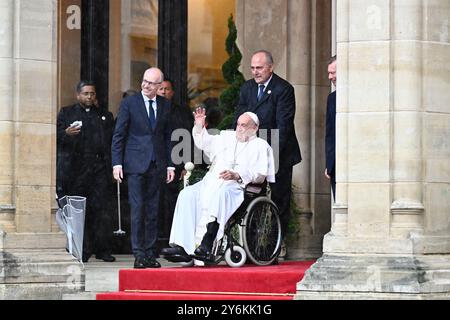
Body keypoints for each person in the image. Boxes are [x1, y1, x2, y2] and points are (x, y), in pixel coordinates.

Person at [161, 110, 275, 263]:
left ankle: (206, 244)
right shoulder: (226, 138)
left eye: (244, 125)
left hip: (237, 187)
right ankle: (182, 246)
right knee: (186, 194)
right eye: (238, 124)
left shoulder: (261, 146)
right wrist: (199, 126)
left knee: (221, 194)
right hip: (210, 183)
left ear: (255, 128)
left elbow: (261, 175)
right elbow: (204, 142)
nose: (239, 128)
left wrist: (237, 175)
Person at [233, 50, 302, 243]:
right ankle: (252, 244)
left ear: (270, 68)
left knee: (279, 200)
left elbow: (284, 126)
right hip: (252, 154)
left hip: (278, 152)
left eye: (259, 68)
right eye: (253, 68)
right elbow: (238, 119)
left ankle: (275, 244)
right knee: (252, 197)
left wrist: (268, 156)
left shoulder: (283, 89)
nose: (255, 72)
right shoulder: (247, 88)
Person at [111, 68, 175, 269]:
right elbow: (119, 134)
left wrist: (170, 165)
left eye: (151, 83)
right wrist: (117, 163)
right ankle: (138, 254)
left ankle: (150, 253)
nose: (146, 85)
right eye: (144, 81)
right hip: (135, 165)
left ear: (159, 87)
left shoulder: (165, 105)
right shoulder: (130, 103)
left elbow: (168, 136)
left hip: (157, 164)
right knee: (138, 210)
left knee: (153, 211)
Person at [56, 80, 116, 263]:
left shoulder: (104, 115)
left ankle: (102, 249)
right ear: (78, 95)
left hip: (98, 169)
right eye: (86, 93)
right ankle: (81, 248)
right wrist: (66, 133)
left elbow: (112, 141)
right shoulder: (67, 113)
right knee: (78, 211)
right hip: (76, 169)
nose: (89, 97)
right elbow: (55, 137)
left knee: (101, 211)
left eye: (92, 93)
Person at [156, 78, 194, 245]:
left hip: (177, 163)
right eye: (161, 89)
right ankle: (156, 241)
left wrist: (187, 164)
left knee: (173, 204)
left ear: (172, 92)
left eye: (167, 89)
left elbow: (189, 138)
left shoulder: (182, 112)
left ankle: (174, 240)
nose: (164, 92)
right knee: (155, 204)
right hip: (156, 164)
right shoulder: (150, 110)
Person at [325, 56, 337, 201]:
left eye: (333, 73)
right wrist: (329, 163)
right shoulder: (332, 98)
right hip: (335, 165)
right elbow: (329, 134)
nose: (330, 77)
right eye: (329, 73)